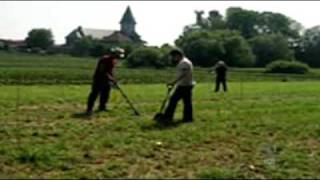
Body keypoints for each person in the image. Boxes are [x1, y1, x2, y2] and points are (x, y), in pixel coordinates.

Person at [86, 47, 125, 115]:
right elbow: (102, 71)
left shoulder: (113, 60)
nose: (118, 57)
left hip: (107, 80)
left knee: (105, 94)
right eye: (117, 56)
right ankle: (89, 109)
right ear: (114, 54)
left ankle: (102, 107)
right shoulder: (104, 59)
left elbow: (110, 71)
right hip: (99, 79)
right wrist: (111, 79)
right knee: (94, 94)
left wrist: (113, 79)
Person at [162, 49, 195, 123]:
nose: (172, 59)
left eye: (173, 57)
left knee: (173, 101)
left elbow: (182, 74)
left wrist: (173, 82)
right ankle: (188, 118)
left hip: (184, 85)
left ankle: (167, 117)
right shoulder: (183, 62)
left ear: (177, 55)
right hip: (186, 84)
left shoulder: (184, 63)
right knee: (187, 102)